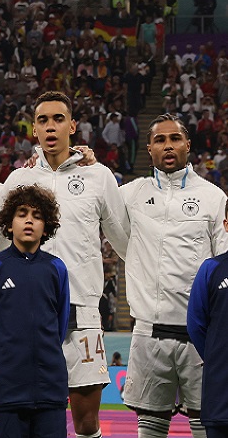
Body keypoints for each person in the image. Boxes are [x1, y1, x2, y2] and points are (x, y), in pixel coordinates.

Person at [0, 90, 128, 438]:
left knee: (85, 421)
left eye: (58, 119)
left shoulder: (99, 177)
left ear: (73, 126)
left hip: (80, 309)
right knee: (30, 413)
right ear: (34, 130)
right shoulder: (19, 180)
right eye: (42, 120)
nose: (50, 126)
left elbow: (126, 241)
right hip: (26, 309)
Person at [120, 114, 228, 438]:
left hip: (202, 340)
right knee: (150, 429)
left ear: (188, 145)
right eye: (160, 140)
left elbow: (224, 267)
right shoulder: (129, 195)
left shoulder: (213, 198)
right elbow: (93, 206)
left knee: (206, 426)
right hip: (148, 333)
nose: (168, 145)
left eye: (175, 139)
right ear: (149, 148)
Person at [0, 185, 71, 438]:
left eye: (37, 216)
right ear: (8, 224)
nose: (29, 220)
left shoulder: (56, 268)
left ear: (46, 226)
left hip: (51, 389)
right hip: (7, 391)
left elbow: (59, 326)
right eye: (22, 213)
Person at [188, 226, 228, 438]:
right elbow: (195, 325)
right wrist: (216, 357)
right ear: (226, 225)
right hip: (220, 397)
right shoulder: (211, 269)